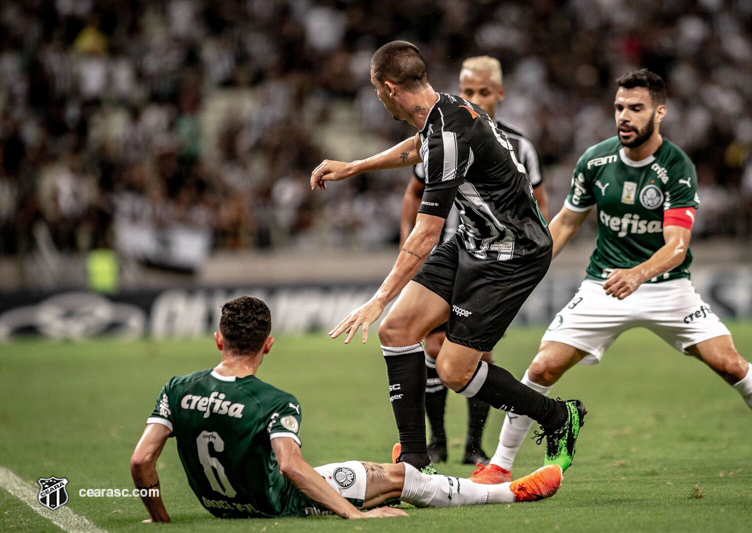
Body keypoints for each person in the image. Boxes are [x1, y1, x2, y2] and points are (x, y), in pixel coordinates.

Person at [470, 69, 752, 484]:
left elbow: (677, 245)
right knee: (542, 367)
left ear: (659, 112)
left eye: (636, 108)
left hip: (668, 288)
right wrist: (526, 267)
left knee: (731, 365)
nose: (624, 116)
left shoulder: (676, 166)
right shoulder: (596, 160)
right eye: (619, 108)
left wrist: (639, 274)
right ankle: (500, 466)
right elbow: (568, 222)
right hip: (604, 286)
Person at [309, 41, 586, 474]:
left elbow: (426, 232)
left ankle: (558, 418)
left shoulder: (451, 134)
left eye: (375, 91)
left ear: (388, 88)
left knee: (454, 370)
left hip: (513, 253)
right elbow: (419, 147)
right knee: (397, 330)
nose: (377, 99)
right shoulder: (442, 110)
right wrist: (354, 166)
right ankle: (416, 463)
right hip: (474, 239)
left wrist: (378, 297)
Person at [129, 296, 563, 522]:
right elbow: (292, 469)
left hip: (220, 507)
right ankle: (506, 492)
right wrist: (355, 514)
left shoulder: (177, 388)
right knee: (403, 478)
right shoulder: (274, 402)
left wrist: (160, 520)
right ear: (268, 344)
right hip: (282, 504)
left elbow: (141, 460)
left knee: (389, 477)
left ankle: (400, 479)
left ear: (219, 340)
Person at [399, 56, 550, 465]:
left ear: (500, 94)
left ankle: (473, 445)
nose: (476, 97)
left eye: (484, 91)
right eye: (469, 91)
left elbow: (538, 206)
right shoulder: (445, 133)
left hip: (501, 258)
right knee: (426, 339)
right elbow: (416, 189)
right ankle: (432, 443)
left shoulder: (520, 146)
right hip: (455, 244)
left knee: (471, 357)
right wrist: (408, 248)